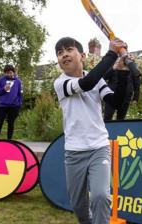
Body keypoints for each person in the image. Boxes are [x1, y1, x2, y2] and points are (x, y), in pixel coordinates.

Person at [53, 37, 126, 224]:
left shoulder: (98, 80)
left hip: (98, 147)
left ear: (83, 55)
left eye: (69, 50)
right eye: (60, 53)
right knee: (78, 205)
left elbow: (115, 102)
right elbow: (86, 84)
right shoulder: (60, 83)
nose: (64, 55)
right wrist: (112, 54)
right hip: (74, 152)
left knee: (100, 196)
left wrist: (123, 74)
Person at [103, 53, 141, 120]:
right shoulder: (114, 62)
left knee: (121, 119)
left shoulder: (131, 64)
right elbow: (104, 77)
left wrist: (135, 97)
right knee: (107, 117)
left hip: (126, 97)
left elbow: (137, 82)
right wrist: (114, 67)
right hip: (111, 95)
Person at [0, 64, 23, 140]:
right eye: (7, 73)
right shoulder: (1, 80)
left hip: (14, 106)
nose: (9, 74)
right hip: (2, 106)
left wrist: (19, 104)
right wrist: (4, 89)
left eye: (10, 72)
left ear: (13, 72)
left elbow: (20, 93)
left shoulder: (18, 81)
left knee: (11, 124)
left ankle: (9, 141)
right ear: (4, 73)